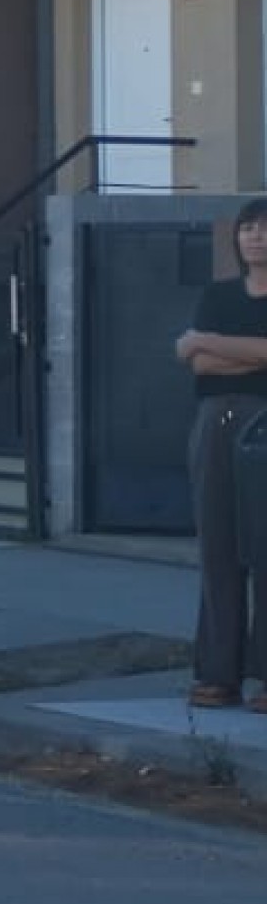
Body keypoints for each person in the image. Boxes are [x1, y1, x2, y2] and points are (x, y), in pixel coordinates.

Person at [174, 197, 267, 713]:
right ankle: (217, 673)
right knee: (218, 547)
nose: (255, 237)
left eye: (265, 228)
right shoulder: (219, 295)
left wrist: (207, 342)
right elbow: (200, 367)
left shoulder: (211, 320)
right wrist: (246, 351)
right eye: (248, 228)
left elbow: (202, 349)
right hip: (215, 425)